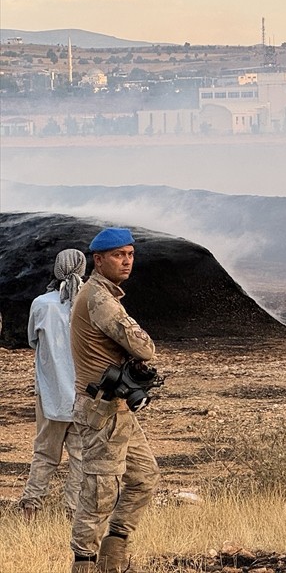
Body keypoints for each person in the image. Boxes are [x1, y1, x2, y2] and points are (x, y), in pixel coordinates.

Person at [69, 228, 160, 573]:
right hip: (101, 411)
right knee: (99, 494)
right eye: (118, 255)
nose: (126, 261)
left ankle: (113, 557)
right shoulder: (101, 300)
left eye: (131, 254)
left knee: (144, 477)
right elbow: (145, 347)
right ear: (98, 259)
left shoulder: (101, 295)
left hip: (116, 410)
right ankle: (85, 563)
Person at [19, 248, 86, 520]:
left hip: (49, 393)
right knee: (81, 458)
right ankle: (72, 513)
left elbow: (33, 341)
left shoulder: (41, 304)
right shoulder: (88, 303)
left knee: (45, 454)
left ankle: (30, 510)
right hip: (84, 394)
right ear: (82, 269)